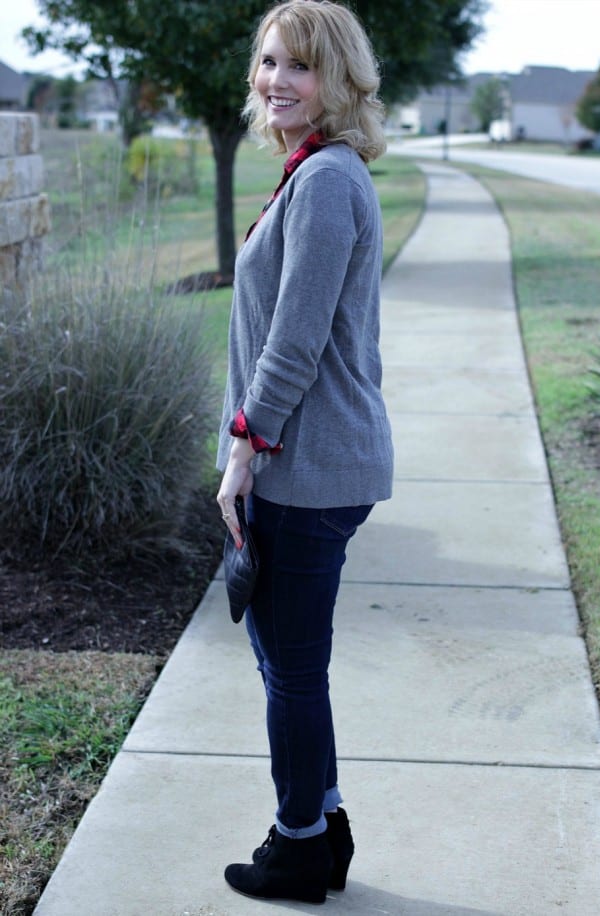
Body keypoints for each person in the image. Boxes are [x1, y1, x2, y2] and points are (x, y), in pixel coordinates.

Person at [216, 0, 393, 903]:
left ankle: (297, 847)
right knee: (291, 664)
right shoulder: (314, 173)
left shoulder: (327, 180)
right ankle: (322, 828)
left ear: (339, 81)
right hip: (305, 463)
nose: (275, 80)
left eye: (299, 66)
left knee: (290, 671)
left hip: (302, 468)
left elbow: (295, 341)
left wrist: (245, 450)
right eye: (268, 62)